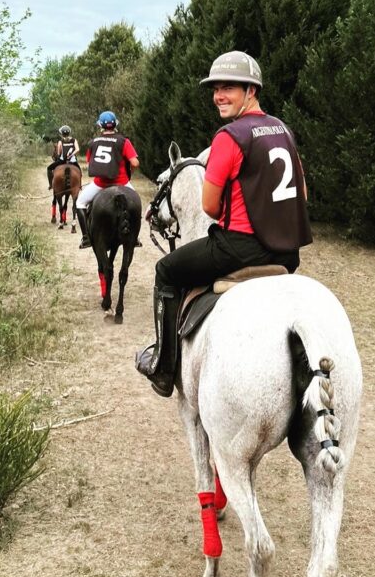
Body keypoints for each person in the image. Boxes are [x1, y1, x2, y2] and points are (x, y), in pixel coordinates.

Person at [135, 50, 312, 397]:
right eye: (216, 88)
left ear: (252, 91)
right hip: (288, 254)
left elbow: (211, 207)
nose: (219, 95)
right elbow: (301, 195)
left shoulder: (229, 137)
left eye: (229, 87)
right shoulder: (282, 130)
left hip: (239, 249)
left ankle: (163, 366)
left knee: (166, 271)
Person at [76, 111, 140, 248]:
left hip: (100, 184)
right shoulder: (124, 141)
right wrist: (129, 173)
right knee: (136, 203)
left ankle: (86, 238)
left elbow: (90, 163)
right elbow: (135, 163)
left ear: (100, 126)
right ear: (115, 124)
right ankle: (135, 237)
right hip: (122, 182)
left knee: (80, 203)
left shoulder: (93, 142)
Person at [47, 125, 80, 189]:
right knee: (79, 172)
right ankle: (79, 186)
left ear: (62, 134)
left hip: (62, 161)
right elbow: (77, 149)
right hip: (72, 161)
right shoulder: (74, 140)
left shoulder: (60, 141)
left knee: (49, 168)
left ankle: (51, 185)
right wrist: (71, 154)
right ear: (69, 133)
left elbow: (59, 152)